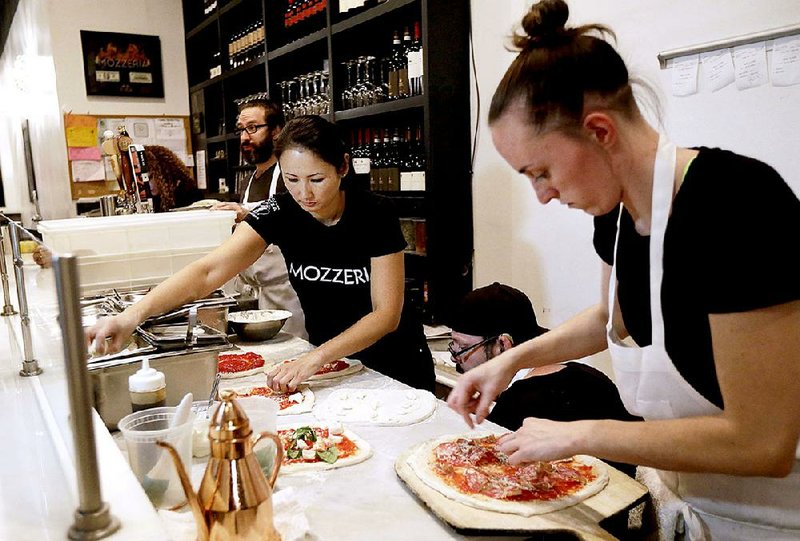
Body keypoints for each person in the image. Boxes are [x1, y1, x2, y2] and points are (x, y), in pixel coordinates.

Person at [447, 1, 800, 539]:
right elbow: (614, 320)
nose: (541, 196)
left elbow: (761, 442)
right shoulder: (615, 214)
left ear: (600, 131)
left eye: (541, 171)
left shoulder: (736, 205)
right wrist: (510, 361)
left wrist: (580, 435)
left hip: (774, 516)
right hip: (686, 503)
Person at [88, 115, 435, 393]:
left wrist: (315, 357)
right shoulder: (281, 211)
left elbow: (386, 315)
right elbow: (208, 272)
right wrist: (130, 317)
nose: (304, 194)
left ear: (342, 167)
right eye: (292, 179)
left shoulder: (375, 213)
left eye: (316, 179)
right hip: (333, 366)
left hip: (393, 365)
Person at [449, 282, 640, 476]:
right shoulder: (586, 374)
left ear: (503, 345)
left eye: (462, 348)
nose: (453, 357)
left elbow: (487, 473)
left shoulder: (520, 403)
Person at [211, 93, 307, 339]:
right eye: (241, 130)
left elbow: (302, 220)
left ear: (276, 131)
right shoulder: (250, 179)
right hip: (255, 295)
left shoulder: (291, 176)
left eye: (253, 128)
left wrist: (248, 213)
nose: (244, 137)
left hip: (288, 295)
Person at [143, 145, 203, 212]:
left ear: (164, 173)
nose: (148, 185)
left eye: (151, 177)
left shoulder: (190, 194)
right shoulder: (155, 197)